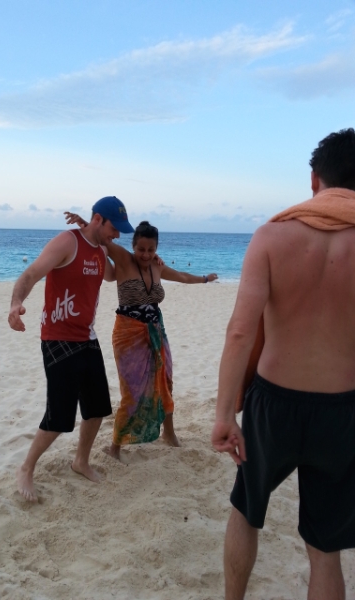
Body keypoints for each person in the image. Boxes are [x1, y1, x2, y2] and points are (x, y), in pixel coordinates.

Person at [211, 128, 355, 600]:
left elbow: (240, 331)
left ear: (314, 180)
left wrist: (223, 415)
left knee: (246, 512)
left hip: (273, 404)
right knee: (325, 550)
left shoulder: (271, 236)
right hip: (341, 409)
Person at [8, 196, 134, 502]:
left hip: (87, 337)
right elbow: (31, 274)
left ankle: (80, 461)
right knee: (59, 417)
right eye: (113, 228)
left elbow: (114, 274)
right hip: (57, 337)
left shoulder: (101, 250)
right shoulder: (67, 242)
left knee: (97, 409)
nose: (117, 234)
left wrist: (139, 258)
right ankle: (26, 468)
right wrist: (15, 303)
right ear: (98, 219)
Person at [65, 214, 218, 461]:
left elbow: (181, 276)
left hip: (156, 330)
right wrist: (84, 222)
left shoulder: (157, 266)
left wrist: (204, 279)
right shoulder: (124, 259)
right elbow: (101, 239)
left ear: (156, 249)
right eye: (141, 249)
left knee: (165, 382)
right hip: (128, 333)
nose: (146, 255)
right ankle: (115, 447)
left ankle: (169, 433)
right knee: (132, 391)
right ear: (133, 246)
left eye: (151, 250)